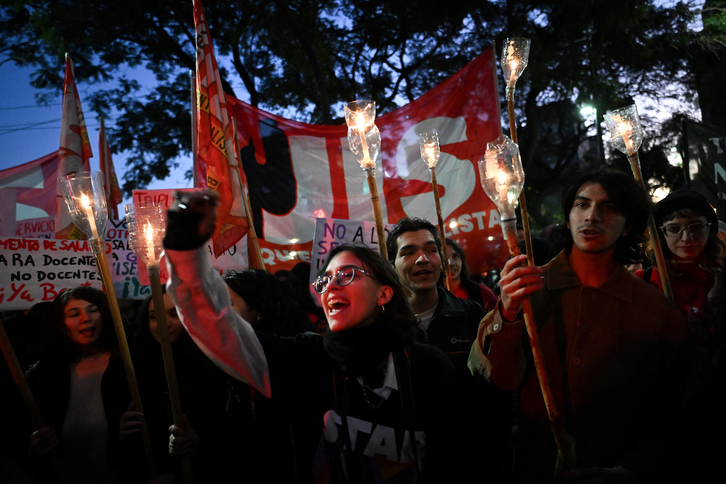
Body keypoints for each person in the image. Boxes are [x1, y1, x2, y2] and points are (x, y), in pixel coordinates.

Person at [163, 191, 466, 483]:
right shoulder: (305, 359)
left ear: (384, 293)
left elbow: (458, 458)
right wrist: (185, 253)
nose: (332, 286)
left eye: (347, 274)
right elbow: (217, 330)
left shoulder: (426, 366)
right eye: (325, 280)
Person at [468, 169, 688, 483]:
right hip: (536, 465)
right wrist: (507, 313)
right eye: (582, 205)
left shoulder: (655, 311)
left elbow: (674, 410)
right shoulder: (527, 290)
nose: (592, 216)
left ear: (628, 226)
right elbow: (498, 379)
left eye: (609, 208)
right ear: (569, 216)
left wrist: (630, 470)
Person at [120, 288, 241, 483]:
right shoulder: (132, 368)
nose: (164, 322)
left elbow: (227, 430)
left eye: (174, 314)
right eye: (154, 316)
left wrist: (198, 442)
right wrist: (123, 434)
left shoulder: (213, 365)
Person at [25, 286, 129, 484]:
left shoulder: (127, 363)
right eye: (74, 314)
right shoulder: (45, 374)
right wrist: (33, 447)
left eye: (93, 310)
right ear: (61, 324)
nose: (85, 318)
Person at [635, 189, 724, 332]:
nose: (687, 238)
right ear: (662, 234)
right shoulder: (644, 282)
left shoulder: (722, 277)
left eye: (696, 227)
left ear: (709, 228)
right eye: (674, 228)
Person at [445, 238, 497, 311]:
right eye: (444, 258)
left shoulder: (482, 292)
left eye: (455, 256)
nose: (451, 263)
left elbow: (496, 320)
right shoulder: (431, 299)